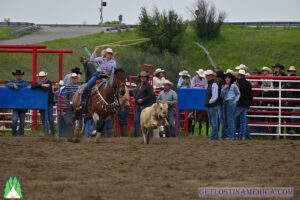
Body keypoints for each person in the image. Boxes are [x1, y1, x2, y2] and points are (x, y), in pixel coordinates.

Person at [31, 71, 55, 136]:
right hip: (42, 104)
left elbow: (45, 89)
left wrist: (40, 86)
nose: (42, 78)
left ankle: (52, 134)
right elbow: (32, 86)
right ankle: (46, 133)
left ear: (45, 77)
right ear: (39, 77)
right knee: (44, 119)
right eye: (41, 77)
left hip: (48, 103)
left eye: (43, 77)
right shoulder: (41, 83)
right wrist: (42, 85)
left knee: (51, 119)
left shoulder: (49, 82)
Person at [131, 71, 155, 137]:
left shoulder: (149, 86)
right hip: (138, 105)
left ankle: (148, 136)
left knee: (146, 121)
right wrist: (134, 99)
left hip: (146, 106)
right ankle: (136, 136)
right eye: (142, 77)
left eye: (144, 77)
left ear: (146, 78)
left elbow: (151, 96)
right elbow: (136, 94)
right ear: (140, 77)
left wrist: (143, 99)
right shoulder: (139, 85)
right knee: (136, 121)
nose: (143, 78)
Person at [5, 70, 28, 136]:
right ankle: (14, 133)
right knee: (15, 119)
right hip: (16, 104)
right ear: (15, 75)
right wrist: (13, 85)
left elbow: (24, 84)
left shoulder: (24, 82)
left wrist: (15, 85)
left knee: (22, 120)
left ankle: (20, 134)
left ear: (21, 75)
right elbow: (6, 84)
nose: (18, 76)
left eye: (19, 75)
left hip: (22, 104)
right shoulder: (12, 82)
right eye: (17, 75)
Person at [221, 73, 240, 139]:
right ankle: (227, 135)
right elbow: (222, 95)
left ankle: (231, 136)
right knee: (225, 119)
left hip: (231, 103)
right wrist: (223, 89)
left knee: (230, 119)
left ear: (231, 79)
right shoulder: (224, 86)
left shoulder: (233, 86)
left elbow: (238, 93)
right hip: (225, 102)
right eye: (226, 78)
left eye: (228, 78)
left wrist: (235, 101)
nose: (227, 79)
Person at [235, 69, 253, 140]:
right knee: (243, 121)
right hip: (245, 104)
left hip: (238, 103)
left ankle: (233, 134)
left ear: (239, 75)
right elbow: (250, 95)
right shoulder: (248, 83)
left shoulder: (237, 82)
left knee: (233, 118)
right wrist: (249, 104)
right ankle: (243, 136)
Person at [204, 70, 219, 140]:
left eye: (209, 75)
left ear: (212, 76)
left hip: (212, 106)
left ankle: (213, 137)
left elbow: (215, 96)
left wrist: (209, 102)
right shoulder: (210, 84)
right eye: (207, 75)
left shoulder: (214, 84)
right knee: (212, 121)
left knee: (213, 122)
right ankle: (215, 136)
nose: (208, 77)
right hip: (211, 106)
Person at [215, 70, 226, 139]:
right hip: (220, 103)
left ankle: (222, 134)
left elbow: (221, 95)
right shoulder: (221, 83)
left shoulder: (221, 84)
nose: (217, 78)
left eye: (217, 77)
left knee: (221, 119)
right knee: (221, 119)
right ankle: (221, 134)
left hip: (220, 103)